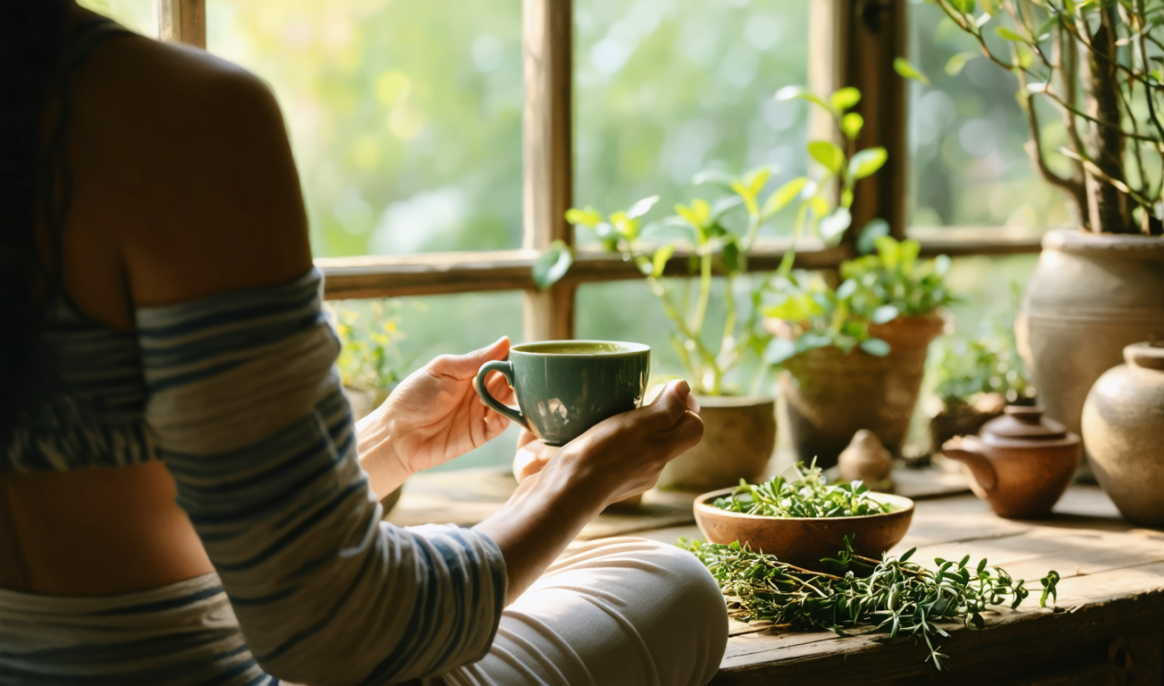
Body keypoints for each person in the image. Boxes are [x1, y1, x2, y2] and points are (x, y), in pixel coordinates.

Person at [0, 2, 730, 684]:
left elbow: (147, 533)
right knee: (673, 583)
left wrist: (383, 445)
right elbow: (334, 626)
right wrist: (577, 481)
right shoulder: (171, 112)